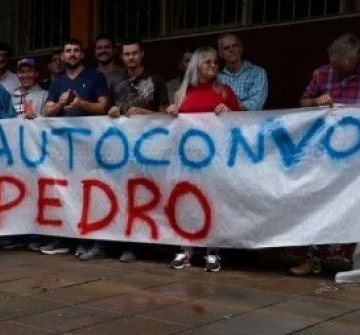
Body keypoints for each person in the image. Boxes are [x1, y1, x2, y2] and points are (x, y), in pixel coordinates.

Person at [291, 33, 360, 276]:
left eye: (341, 66)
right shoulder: (321, 74)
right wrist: (316, 101)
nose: (335, 70)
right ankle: (312, 259)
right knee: (317, 202)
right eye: (333, 65)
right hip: (325, 154)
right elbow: (302, 101)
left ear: (355, 58)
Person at [89, 38, 170, 264]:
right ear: (122, 57)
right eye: (127, 54)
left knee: (140, 199)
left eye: (135, 53)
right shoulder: (116, 84)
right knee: (118, 196)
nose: (131, 57)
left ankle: (133, 247)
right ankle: (107, 244)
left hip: (148, 152)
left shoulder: (156, 80)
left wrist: (146, 114)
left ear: (141, 54)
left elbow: (168, 116)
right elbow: (112, 114)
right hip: (122, 153)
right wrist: (113, 111)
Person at [165, 46, 241, 272]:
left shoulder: (224, 91)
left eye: (215, 63)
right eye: (207, 62)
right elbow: (174, 128)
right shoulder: (182, 93)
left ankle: (212, 251)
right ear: (196, 64)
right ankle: (185, 249)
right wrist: (170, 112)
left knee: (213, 202)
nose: (213, 66)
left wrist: (228, 111)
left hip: (215, 159)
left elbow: (242, 124)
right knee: (186, 202)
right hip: (186, 160)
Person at [41, 38, 109, 256]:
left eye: (76, 51)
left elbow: (103, 107)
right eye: (68, 50)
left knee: (91, 193)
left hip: (90, 147)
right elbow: (47, 111)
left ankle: (93, 241)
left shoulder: (95, 76)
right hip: (64, 149)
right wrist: (61, 104)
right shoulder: (58, 82)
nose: (71, 54)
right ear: (63, 55)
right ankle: (69, 239)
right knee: (67, 192)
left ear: (82, 55)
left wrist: (81, 104)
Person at [216, 33, 268, 111]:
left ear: (241, 48)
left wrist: (231, 107)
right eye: (226, 48)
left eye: (235, 46)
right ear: (220, 54)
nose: (231, 50)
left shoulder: (258, 73)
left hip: (251, 122)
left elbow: (256, 104)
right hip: (224, 122)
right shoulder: (217, 77)